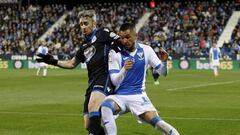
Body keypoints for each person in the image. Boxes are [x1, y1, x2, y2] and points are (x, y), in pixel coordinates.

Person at [36, 10, 123, 135]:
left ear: (94, 23)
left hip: (104, 77)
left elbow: (122, 41)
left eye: (86, 23)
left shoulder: (103, 33)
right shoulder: (84, 45)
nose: (83, 27)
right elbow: (72, 64)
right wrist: (54, 62)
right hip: (91, 82)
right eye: (81, 24)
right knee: (88, 124)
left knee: (93, 106)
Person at [101, 23, 180, 135]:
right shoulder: (115, 53)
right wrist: (124, 69)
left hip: (138, 96)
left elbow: (163, 73)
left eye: (128, 37)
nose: (124, 41)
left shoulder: (146, 50)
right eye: (122, 38)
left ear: (136, 35)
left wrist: (164, 61)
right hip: (120, 96)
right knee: (105, 107)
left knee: (158, 123)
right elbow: (114, 80)